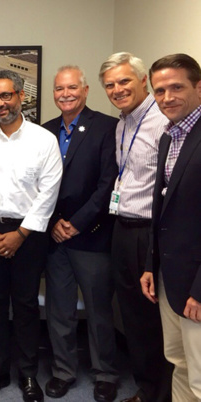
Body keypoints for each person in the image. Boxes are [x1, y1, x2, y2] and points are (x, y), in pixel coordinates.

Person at [0, 70, 62, 402]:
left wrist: (20, 234)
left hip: (29, 234)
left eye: (6, 96)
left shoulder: (43, 140)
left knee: (27, 304)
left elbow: (49, 192)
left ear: (21, 96)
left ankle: (28, 374)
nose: (0, 103)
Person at [42, 66, 119, 401]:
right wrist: (56, 222)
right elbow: (40, 186)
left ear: (86, 90)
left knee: (99, 311)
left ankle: (105, 373)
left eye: (72, 87)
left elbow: (108, 185)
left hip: (92, 235)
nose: (65, 94)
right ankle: (63, 371)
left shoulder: (107, 128)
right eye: (59, 89)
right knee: (60, 310)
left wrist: (77, 222)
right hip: (55, 236)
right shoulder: (44, 132)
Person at [99, 52, 172, 402]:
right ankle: (146, 386)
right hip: (122, 227)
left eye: (124, 81)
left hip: (150, 231)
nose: (117, 89)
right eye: (110, 85)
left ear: (143, 80)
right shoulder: (122, 122)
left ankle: (162, 391)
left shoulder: (163, 121)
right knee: (131, 312)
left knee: (153, 315)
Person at [141, 53, 201, 402]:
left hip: (195, 284)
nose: (167, 97)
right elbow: (162, 209)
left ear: (198, 86)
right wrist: (152, 265)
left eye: (176, 87)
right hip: (169, 277)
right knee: (178, 362)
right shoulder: (169, 136)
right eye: (159, 90)